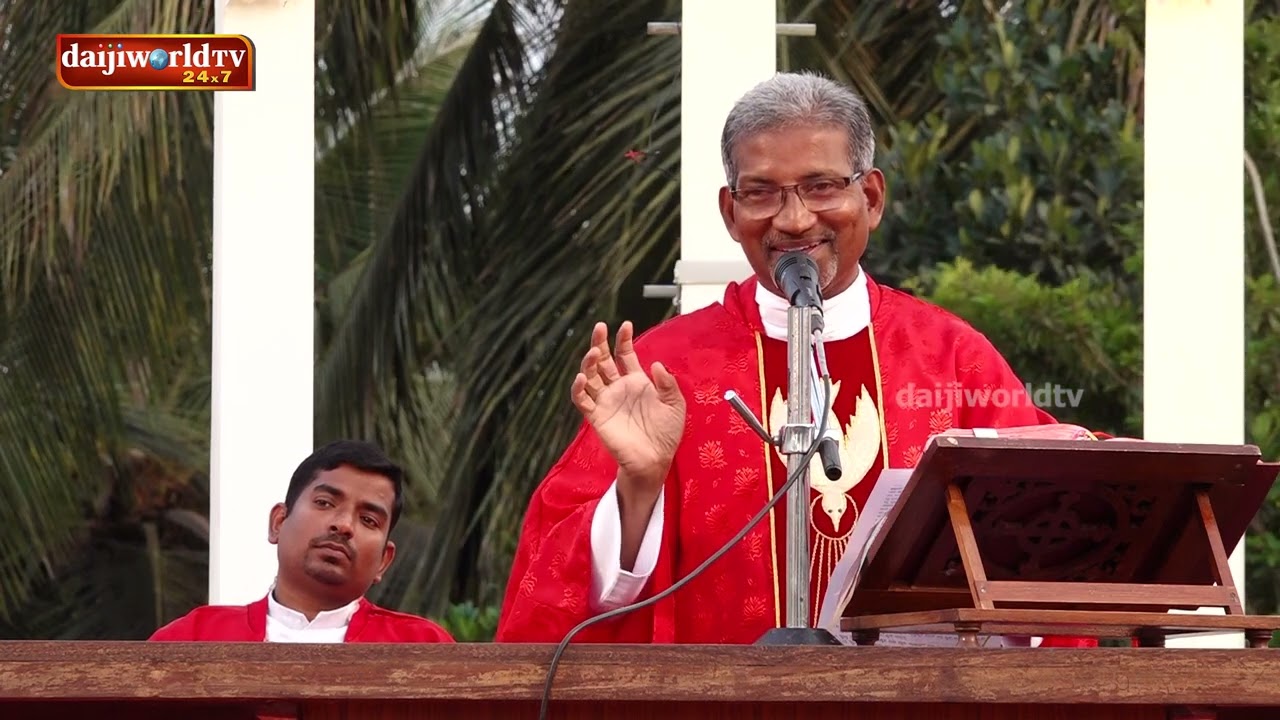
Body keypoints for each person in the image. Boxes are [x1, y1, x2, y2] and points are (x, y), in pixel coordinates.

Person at [495, 71, 1095, 647]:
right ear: (731, 213)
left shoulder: (949, 357)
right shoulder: (665, 367)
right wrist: (639, 485)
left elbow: (1053, 529)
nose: (794, 218)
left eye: (822, 186)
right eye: (762, 193)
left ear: (873, 196)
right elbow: (551, 590)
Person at [150, 440, 454, 643]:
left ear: (384, 561)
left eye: (368, 520)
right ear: (278, 522)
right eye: (324, 503)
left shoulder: (424, 646)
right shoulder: (192, 639)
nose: (344, 524)